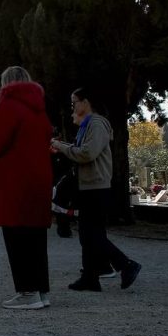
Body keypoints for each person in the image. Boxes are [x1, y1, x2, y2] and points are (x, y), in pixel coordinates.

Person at [0, 66, 54, 309]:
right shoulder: (40, 110)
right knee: (37, 236)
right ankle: (41, 290)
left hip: (15, 179)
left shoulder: (8, 105)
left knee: (16, 234)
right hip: (40, 178)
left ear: (6, 83)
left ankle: (26, 291)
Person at [51, 88, 142, 291]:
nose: (72, 106)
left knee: (91, 234)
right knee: (88, 233)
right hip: (89, 185)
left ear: (86, 102)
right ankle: (90, 277)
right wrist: (62, 146)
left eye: (75, 101)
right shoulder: (87, 125)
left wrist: (61, 146)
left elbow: (87, 153)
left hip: (96, 186)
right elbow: (81, 150)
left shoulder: (97, 124)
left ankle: (126, 264)